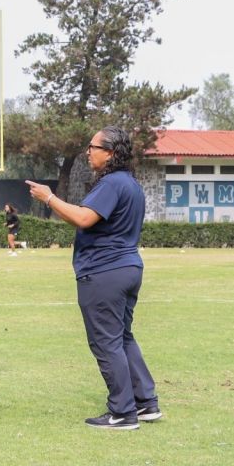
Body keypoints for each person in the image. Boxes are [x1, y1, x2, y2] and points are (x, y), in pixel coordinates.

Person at [27, 126, 160, 431]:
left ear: (110, 152)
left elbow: (84, 218)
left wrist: (49, 198)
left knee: (106, 342)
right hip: (128, 268)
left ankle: (123, 412)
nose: (88, 151)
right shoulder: (131, 185)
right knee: (122, 337)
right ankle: (145, 403)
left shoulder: (112, 183)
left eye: (93, 147)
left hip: (104, 272)